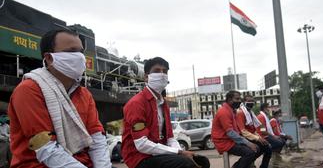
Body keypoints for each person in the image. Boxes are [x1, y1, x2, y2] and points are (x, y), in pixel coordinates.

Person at [8, 29, 111, 168]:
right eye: (71, 51)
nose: (80, 57)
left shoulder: (84, 94)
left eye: (81, 52)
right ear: (49, 58)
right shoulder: (28, 91)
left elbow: (97, 137)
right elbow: (45, 148)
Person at [121, 57, 209, 168]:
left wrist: (180, 151)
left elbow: (170, 139)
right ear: (146, 77)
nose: (162, 74)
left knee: (202, 162)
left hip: (158, 155)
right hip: (139, 158)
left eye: (165, 71)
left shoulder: (163, 104)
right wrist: (179, 153)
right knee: (185, 164)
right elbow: (141, 144)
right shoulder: (137, 103)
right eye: (157, 71)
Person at [212, 90, 258, 168]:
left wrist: (249, 141)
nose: (239, 101)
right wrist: (248, 143)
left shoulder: (232, 111)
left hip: (231, 140)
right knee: (250, 152)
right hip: (224, 142)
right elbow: (230, 133)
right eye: (237, 99)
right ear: (230, 100)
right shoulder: (224, 112)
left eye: (240, 99)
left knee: (257, 148)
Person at [236, 95, 272, 168]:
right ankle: (246, 163)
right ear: (264, 109)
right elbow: (262, 130)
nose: (269, 109)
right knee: (266, 147)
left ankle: (251, 162)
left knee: (268, 147)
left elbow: (255, 129)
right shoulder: (261, 116)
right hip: (255, 136)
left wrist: (261, 137)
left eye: (252, 101)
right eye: (268, 108)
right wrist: (268, 136)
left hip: (257, 136)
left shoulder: (252, 114)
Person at [0, 102, 11, 168]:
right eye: (3, 117)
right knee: (2, 156)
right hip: (1, 143)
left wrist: (8, 136)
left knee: (8, 156)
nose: (5, 119)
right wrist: (6, 137)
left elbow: (11, 133)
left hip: (7, 143)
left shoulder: (7, 125)